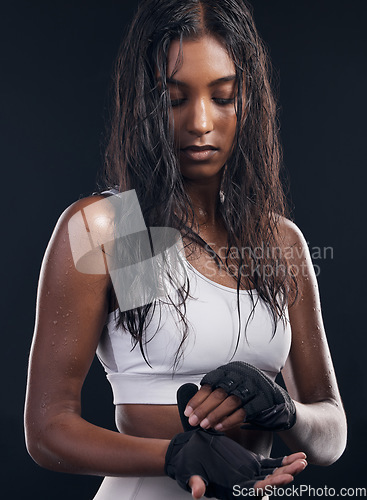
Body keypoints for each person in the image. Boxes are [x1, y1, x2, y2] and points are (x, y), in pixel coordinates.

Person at [24, 1, 347, 499]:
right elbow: (48, 430)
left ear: (249, 102)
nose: (200, 122)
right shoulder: (123, 229)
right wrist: (174, 455)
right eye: (174, 98)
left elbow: (331, 434)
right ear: (144, 104)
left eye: (223, 97)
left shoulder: (278, 241)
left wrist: (286, 409)